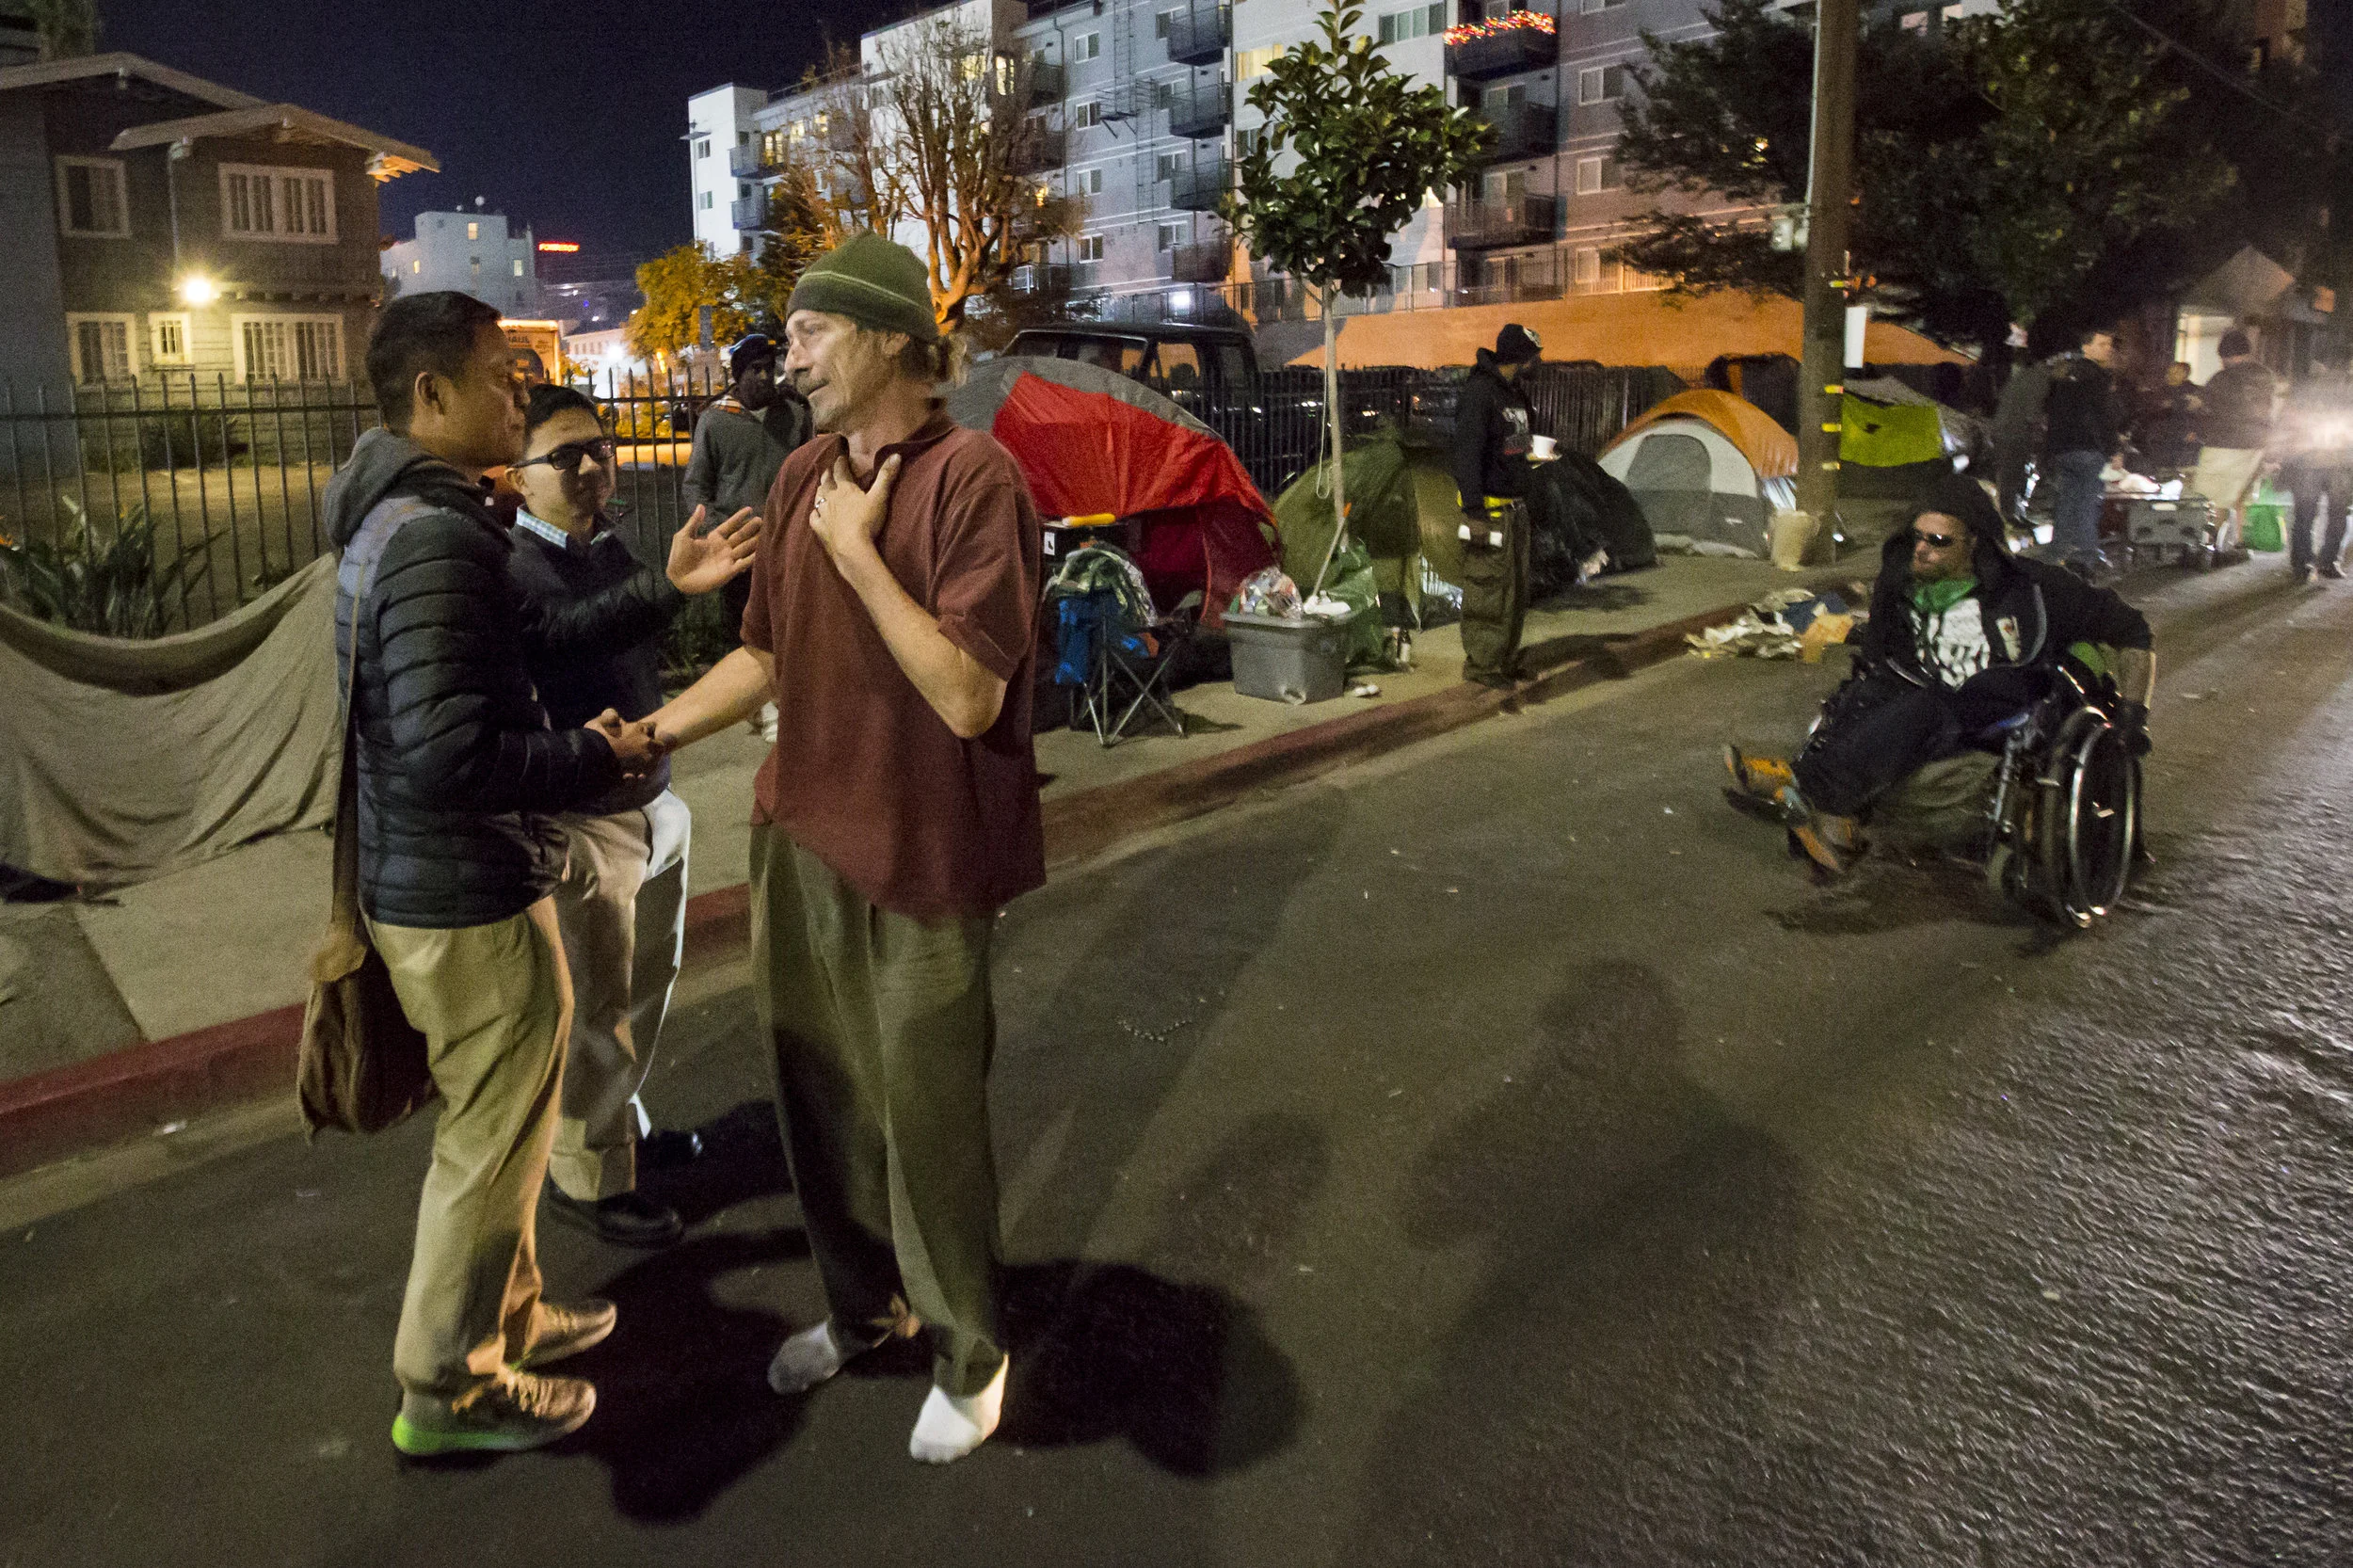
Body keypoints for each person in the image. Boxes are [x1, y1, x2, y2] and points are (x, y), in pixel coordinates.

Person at [646, 234, 1042, 1464]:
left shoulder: (976, 480)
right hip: (802, 831)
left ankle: (972, 1356)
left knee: (927, 1114)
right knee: (819, 1101)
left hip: (923, 853)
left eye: (812, 332)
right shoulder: (802, 472)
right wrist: (650, 732)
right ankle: (867, 1309)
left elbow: (969, 695)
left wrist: (861, 557)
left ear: (887, 341)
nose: (792, 356)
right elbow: (764, 653)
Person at [323, 292, 662, 1456]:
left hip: (446, 879)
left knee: (506, 1132)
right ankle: (450, 1385)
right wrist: (591, 756)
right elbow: (449, 750)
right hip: (461, 892)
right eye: (501, 376)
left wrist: (670, 584)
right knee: (487, 1143)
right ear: (431, 394)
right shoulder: (430, 537)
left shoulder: (417, 518)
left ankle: (506, 1317)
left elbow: (532, 642)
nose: (521, 396)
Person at [503, 384, 762, 1247]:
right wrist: (669, 588)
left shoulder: (605, 545)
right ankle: (587, 1176)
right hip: (585, 822)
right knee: (600, 1012)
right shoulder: (513, 569)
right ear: (518, 476)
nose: (589, 467)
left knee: (643, 993)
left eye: (599, 449)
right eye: (562, 456)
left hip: (652, 802)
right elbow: (573, 632)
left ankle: (620, 1132)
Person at [1726, 469, 2153, 875]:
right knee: (1867, 693)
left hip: (2001, 700)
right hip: (1923, 693)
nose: (1922, 549)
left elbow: (2133, 630)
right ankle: (1832, 820)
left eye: (1938, 541)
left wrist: (2134, 715)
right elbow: (1879, 656)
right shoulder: (1902, 586)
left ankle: (1811, 788)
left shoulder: (2035, 588)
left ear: (1974, 543)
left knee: (1929, 705)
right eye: (1917, 537)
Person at [682, 332, 810, 740]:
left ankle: (781, 700)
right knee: (744, 627)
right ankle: (758, 705)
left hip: (788, 541)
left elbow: (812, 469)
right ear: (738, 375)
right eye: (755, 369)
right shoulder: (715, 420)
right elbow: (696, 485)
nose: (764, 376)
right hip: (739, 546)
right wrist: (716, 531)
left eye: (769, 368)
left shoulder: (795, 415)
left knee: (787, 624)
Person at [1450, 323, 1542, 687]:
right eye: (1534, 357)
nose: (1538, 363)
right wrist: (1474, 513)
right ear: (1520, 358)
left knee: (1514, 591)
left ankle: (1503, 660)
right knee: (1487, 591)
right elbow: (1467, 454)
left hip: (1515, 510)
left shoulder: (1515, 395)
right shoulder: (1480, 393)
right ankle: (1483, 666)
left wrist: (1534, 459)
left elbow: (1514, 447)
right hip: (1489, 512)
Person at [2040, 327, 2125, 577]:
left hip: (2062, 448)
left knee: (2067, 501)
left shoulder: (2063, 373)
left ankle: (2057, 552)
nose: (2108, 349)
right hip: (2088, 448)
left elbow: (2050, 410)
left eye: (2109, 344)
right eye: (2102, 344)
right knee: (2088, 503)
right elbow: (2102, 416)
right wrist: (2113, 449)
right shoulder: (2097, 376)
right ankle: (2086, 557)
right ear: (2086, 347)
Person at [2187, 329, 2278, 551]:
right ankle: (2240, 539)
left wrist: (2197, 425)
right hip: (2255, 443)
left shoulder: (2220, 379)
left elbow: (2203, 409)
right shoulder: (2266, 376)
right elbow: (2270, 411)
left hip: (2222, 444)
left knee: (2216, 496)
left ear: (2225, 355)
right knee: (2242, 495)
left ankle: (2211, 540)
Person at [2280, 341, 2353, 584]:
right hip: (2339, 461)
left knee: (2305, 512)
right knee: (2337, 513)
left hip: (2310, 459)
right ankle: (2328, 561)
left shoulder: (2306, 388)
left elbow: (2288, 421)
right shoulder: (2347, 388)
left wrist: (2282, 453)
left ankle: (2303, 562)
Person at [2132, 360, 2201, 474]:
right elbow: (2151, 411)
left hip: (2184, 436)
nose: (2172, 375)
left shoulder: (2193, 392)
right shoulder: (2159, 391)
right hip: (2160, 437)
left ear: (2185, 375)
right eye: (2170, 372)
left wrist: (2193, 430)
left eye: (2177, 372)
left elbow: (2196, 414)